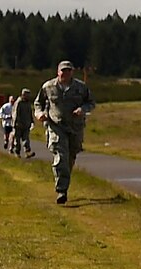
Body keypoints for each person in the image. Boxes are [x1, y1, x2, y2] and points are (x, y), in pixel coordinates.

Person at [38, 61, 97, 205]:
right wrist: (39, 113)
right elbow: (38, 103)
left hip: (75, 127)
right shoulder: (48, 87)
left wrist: (82, 109)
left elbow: (91, 103)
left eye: (68, 71)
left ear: (72, 72)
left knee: (70, 157)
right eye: (63, 71)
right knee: (61, 156)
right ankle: (61, 191)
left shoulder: (81, 87)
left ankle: (64, 181)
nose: (66, 73)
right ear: (58, 72)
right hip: (56, 126)